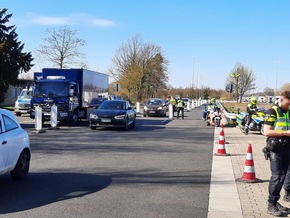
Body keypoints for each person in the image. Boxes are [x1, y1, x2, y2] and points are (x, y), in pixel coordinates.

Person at [264, 91, 290, 216]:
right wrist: (286, 133)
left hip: (287, 148)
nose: (288, 105)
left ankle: (275, 201)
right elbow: (267, 132)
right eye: (287, 103)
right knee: (277, 176)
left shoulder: (288, 112)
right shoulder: (272, 112)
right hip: (276, 149)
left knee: (283, 176)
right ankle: (271, 204)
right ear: (282, 99)